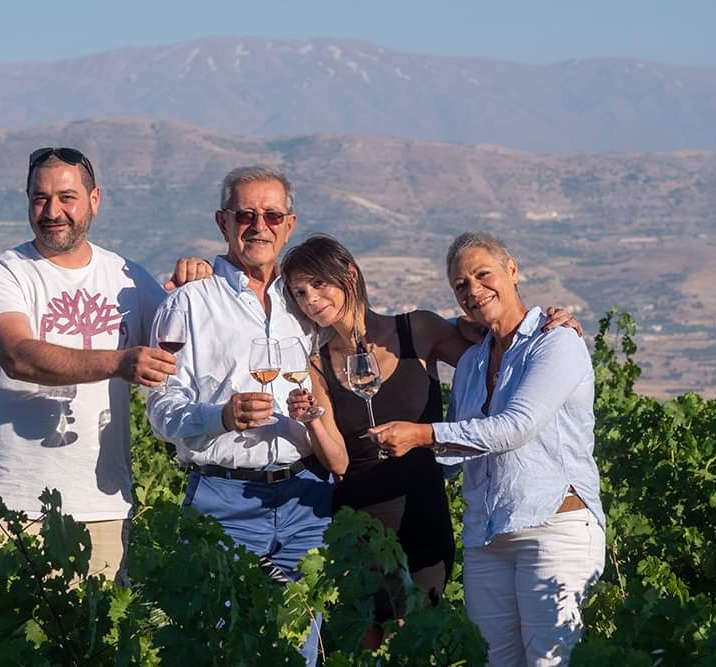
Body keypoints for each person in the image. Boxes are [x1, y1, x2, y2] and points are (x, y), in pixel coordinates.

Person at [281, 235, 580, 647]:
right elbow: (338, 463)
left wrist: (550, 327)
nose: (311, 299)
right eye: (300, 292)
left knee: (414, 640)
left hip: (422, 510)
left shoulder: (416, 329)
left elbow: (497, 355)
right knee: (367, 643)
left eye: (319, 284)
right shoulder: (316, 363)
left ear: (349, 274)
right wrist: (312, 418)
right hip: (360, 519)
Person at [0, 146, 210, 583]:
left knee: (98, 649)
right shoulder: (2, 273)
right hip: (7, 510)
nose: (52, 211)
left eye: (66, 197)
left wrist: (194, 292)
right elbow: (18, 355)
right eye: (40, 198)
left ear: (95, 200)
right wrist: (120, 362)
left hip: (102, 508)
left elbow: (185, 350)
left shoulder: (127, 277)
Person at [370, 231, 605, 667]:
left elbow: (516, 428)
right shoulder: (473, 364)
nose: (474, 291)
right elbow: (458, 451)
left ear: (511, 270)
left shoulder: (556, 342)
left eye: (483, 275)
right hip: (487, 535)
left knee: (551, 662)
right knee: (495, 661)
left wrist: (420, 435)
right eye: (461, 285)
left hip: (553, 527)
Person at [146, 166, 331, 666]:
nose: (259, 225)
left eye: (271, 214)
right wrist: (219, 417)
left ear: (289, 224)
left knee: (302, 648)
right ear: (222, 222)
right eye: (245, 214)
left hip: (305, 498)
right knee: (223, 647)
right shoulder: (186, 304)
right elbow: (161, 409)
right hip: (222, 498)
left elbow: (371, 337)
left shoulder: (305, 303)